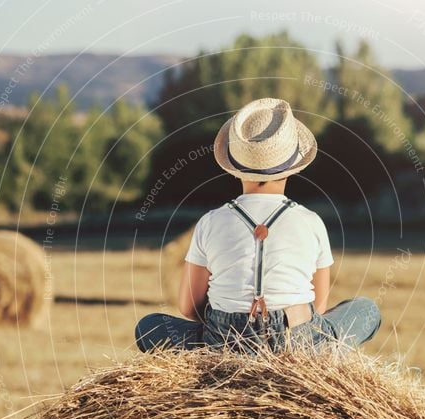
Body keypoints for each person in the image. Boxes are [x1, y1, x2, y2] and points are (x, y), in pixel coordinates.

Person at [135, 97, 381, 353]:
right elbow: (318, 307)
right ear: (293, 167)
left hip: (224, 342)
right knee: (367, 310)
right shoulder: (311, 222)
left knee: (149, 327)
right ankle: (327, 352)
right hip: (297, 340)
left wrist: (229, 316)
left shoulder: (210, 222)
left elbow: (188, 308)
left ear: (234, 168)